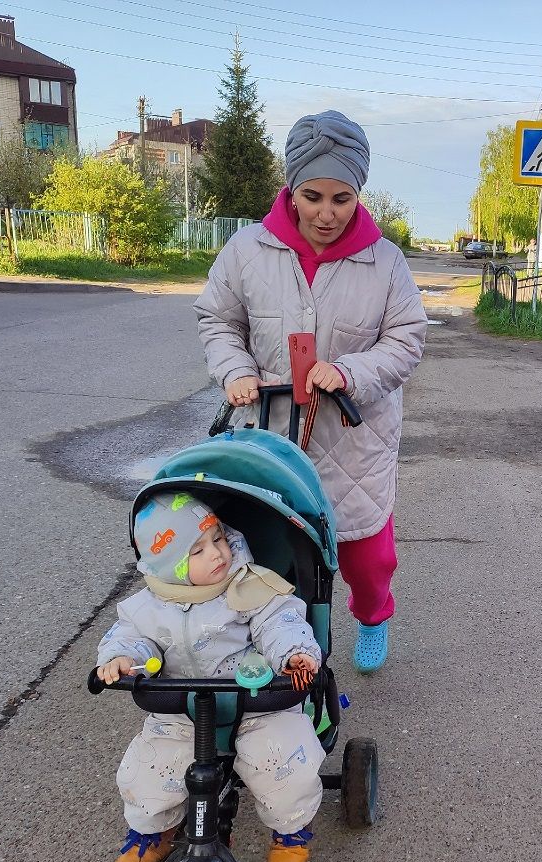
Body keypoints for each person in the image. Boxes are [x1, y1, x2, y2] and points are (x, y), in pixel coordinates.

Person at [196, 110, 427, 675]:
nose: (327, 213)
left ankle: (374, 616)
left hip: (354, 433)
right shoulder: (247, 250)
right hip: (270, 429)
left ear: (358, 195)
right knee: (273, 550)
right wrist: (234, 370)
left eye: (341, 198)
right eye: (313, 196)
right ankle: (280, 639)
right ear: (291, 190)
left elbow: (406, 337)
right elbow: (218, 321)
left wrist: (350, 372)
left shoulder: (385, 261)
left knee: (367, 555)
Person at [96, 493, 325, 862]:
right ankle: (155, 829)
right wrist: (121, 659)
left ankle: (291, 828)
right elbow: (133, 638)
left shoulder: (248, 586)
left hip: (256, 703)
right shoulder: (149, 606)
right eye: (198, 550)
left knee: (285, 760)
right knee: (147, 767)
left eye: (218, 539)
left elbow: (279, 622)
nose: (218, 553)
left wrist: (294, 654)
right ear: (172, 566)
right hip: (184, 709)